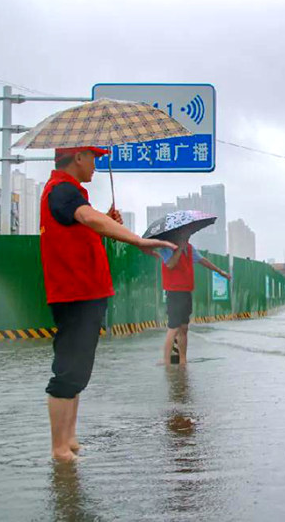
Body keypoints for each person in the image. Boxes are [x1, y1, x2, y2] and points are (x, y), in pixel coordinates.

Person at [41, 146, 176, 462]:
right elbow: (87, 216)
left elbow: (85, 224)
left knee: (78, 371)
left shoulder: (70, 192)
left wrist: (105, 219)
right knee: (68, 370)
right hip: (75, 293)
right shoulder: (61, 190)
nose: (96, 165)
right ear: (78, 158)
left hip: (85, 292)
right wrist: (138, 239)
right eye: (93, 158)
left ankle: (70, 439)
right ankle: (59, 448)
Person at [161, 231, 231, 365]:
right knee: (173, 327)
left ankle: (183, 360)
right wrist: (179, 249)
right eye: (185, 235)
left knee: (184, 328)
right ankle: (166, 361)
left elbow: (202, 260)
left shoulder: (190, 248)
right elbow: (170, 264)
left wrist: (220, 271)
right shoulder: (167, 247)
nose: (188, 237)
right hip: (174, 292)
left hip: (186, 291)